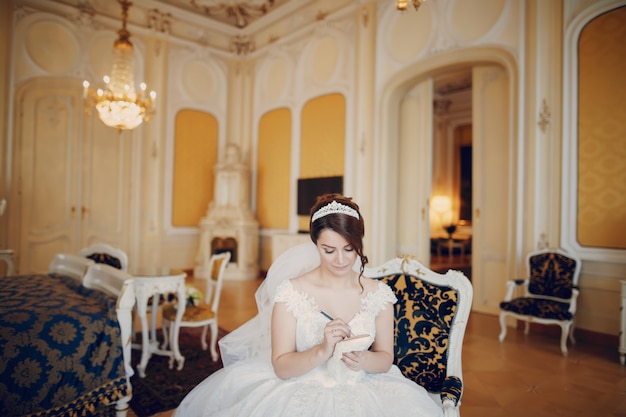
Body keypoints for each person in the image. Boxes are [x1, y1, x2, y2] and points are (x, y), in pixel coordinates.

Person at [174, 194, 443, 417]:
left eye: (349, 249)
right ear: (315, 244)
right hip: (296, 388)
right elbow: (281, 366)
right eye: (329, 250)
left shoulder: (379, 295)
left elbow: (385, 358)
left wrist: (363, 359)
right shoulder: (291, 292)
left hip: (367, 387)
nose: (340, 260)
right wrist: (322, 350)